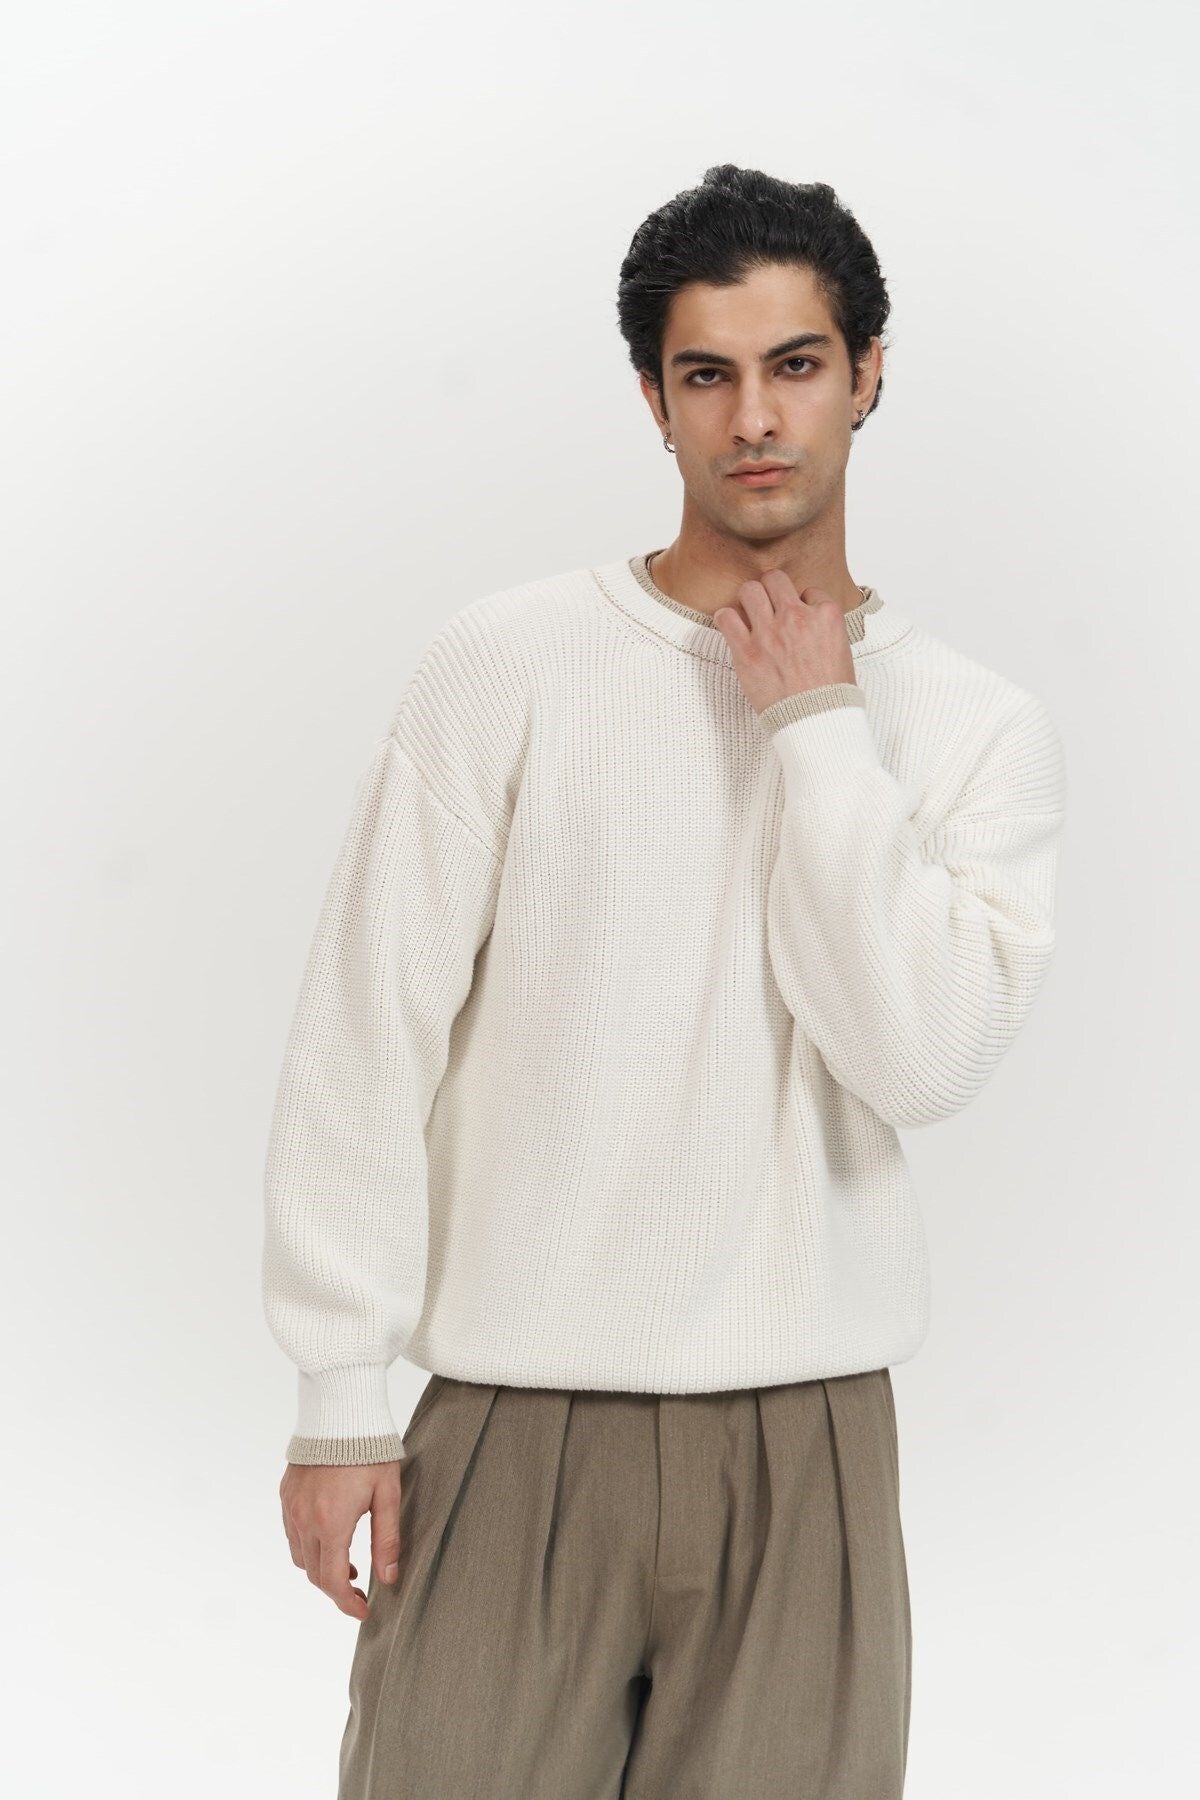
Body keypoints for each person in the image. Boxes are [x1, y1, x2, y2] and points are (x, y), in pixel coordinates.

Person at [261, 163, 1066, 1797]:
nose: (754, 418)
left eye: (797, 365)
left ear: (869, 373)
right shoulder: (509, 664)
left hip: (809, 1438)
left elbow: (923, 1058)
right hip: (511, 1420)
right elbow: (367, 1028)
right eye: (708, 373)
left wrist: (818, 729)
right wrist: (342, 1395)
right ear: (655, 399)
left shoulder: (975, 725)